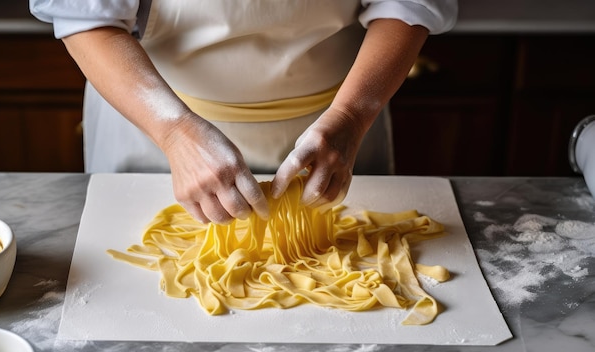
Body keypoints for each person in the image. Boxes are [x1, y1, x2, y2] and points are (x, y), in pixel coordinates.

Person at [30, 0, 458, 224]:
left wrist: (350, 116)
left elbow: (407, 6)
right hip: (152, 122)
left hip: (338, 123)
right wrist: (176, 133)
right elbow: (85, 17)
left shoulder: (347, 120)